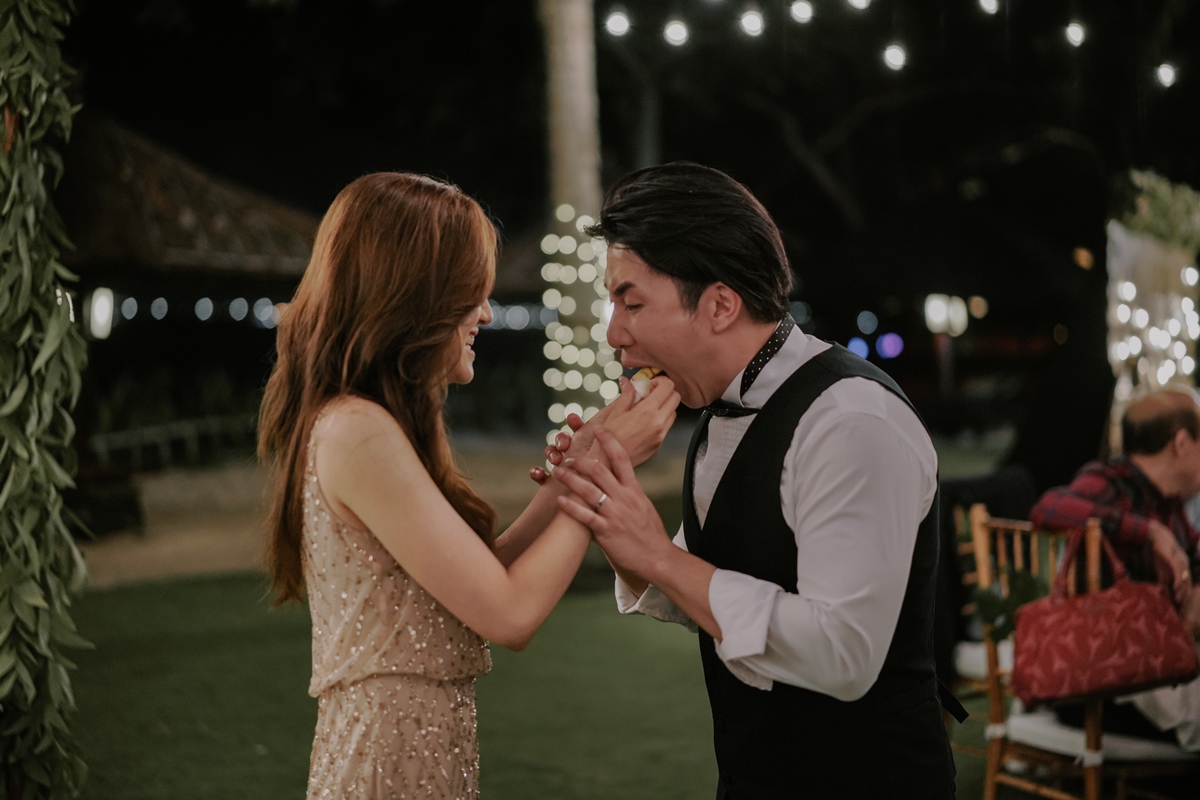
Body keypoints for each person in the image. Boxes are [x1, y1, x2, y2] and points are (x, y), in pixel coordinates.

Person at [256, 172, 679, 799]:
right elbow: (510, 614)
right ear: (414, 298)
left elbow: (476, 582)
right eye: (470, 293)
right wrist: (607, 466)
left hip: (414, 756)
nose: (485, 312)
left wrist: (580, 462)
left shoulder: (374, 424)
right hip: (386, 766)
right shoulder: (359, 432)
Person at [549, 162, 963, 800]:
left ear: (720, 304)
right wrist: (607, 503)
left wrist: (658, 555)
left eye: (631, 303)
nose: (613, 334)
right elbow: (701, 586)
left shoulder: (850, 421)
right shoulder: (718, 409)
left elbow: (843, 653)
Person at [1030, 388, 1200, 749]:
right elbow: (1048, 508)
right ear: (1182, 444)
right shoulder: (1111, 481)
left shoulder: (1169, 502)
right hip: (1102, 682)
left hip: (1152, 667)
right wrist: (1149, 532)